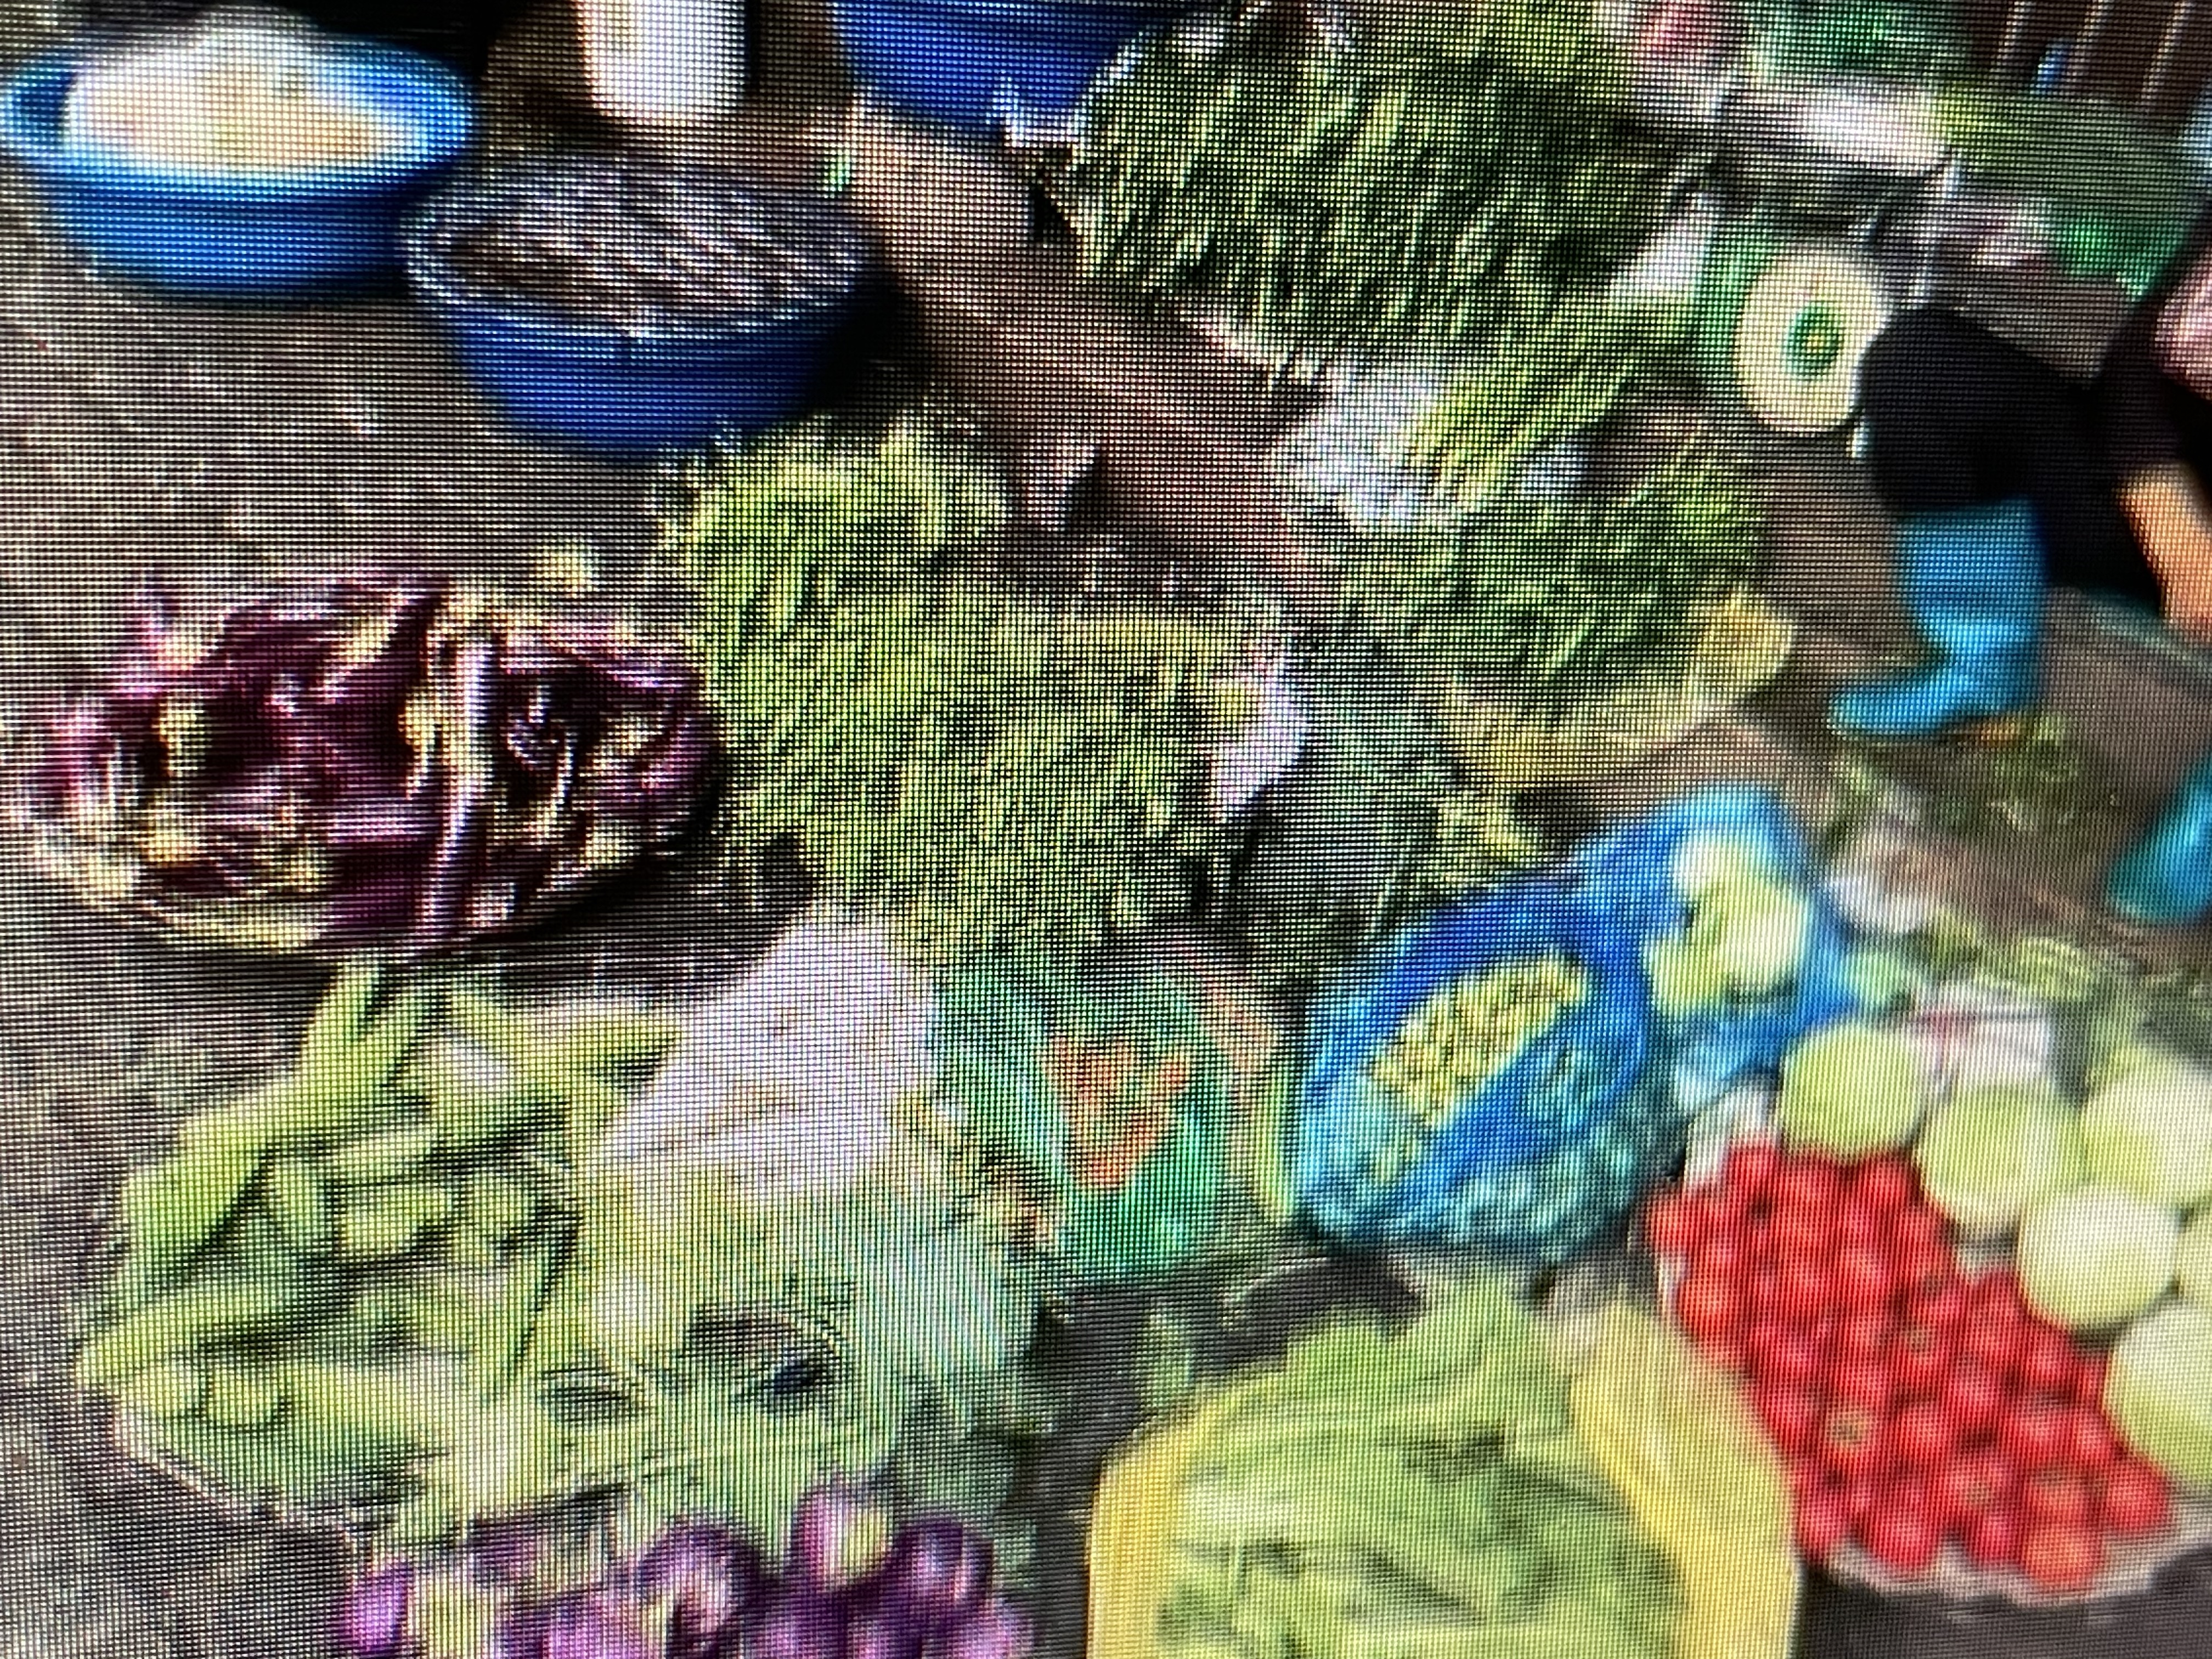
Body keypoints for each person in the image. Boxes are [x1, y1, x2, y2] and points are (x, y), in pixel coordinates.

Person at [1831, 207, 2212, 926]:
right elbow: (2134, 369)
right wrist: (2168, 517)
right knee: (1916, 367)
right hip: (2143, 510)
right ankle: (1987, 666)